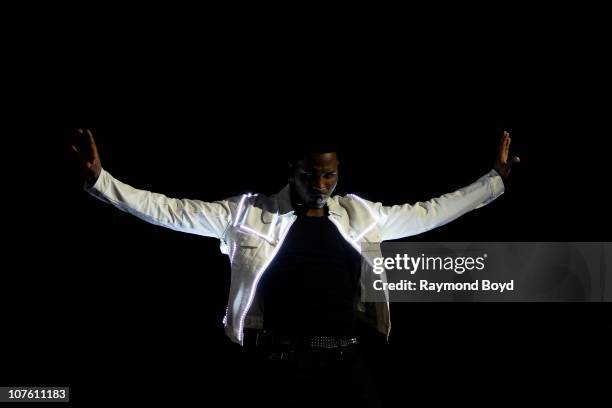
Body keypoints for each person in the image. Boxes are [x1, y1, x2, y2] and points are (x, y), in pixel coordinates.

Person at [70, 129, 519, 407]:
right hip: (276, 365)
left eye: (330, 175)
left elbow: (429, 211)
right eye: (311, 176)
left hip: (344, 363)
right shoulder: (248, 214)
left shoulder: (362, 216)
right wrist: (101, 181)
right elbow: (171, 210)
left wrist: (492, 181)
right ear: (293, 171)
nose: (321, 186)